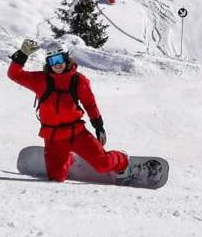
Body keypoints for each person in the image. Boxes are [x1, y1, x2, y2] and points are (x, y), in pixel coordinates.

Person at [8, 38, 129, 182]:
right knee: (56, 178)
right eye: (52, 61)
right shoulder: (40, 80)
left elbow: (90, 104)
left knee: (103, 165)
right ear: (48, 63)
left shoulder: (78, 81)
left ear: (66, 58)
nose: (57, 64)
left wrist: (99, 126)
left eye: (59, 59)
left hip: (77, 134)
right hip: (53, 138)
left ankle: (122, 159)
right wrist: (22, 54)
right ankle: (68, 158)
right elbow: (14, 74)